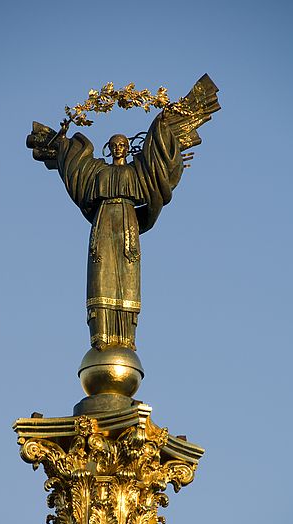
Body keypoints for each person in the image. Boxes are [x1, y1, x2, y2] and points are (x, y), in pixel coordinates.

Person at [26, 74, 220, 351]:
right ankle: (101, 335)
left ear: (128, 148)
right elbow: (75, 162)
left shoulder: (137, 172)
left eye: (123, 145)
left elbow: (158, 162)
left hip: (128, 224)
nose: (119, 147)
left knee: (128, 277)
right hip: (104, 223)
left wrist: (164, 126)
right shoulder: (98, 172)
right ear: (109, 148)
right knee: (101, 273)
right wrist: (61, 141)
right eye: (114, 145)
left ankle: (127, 338)